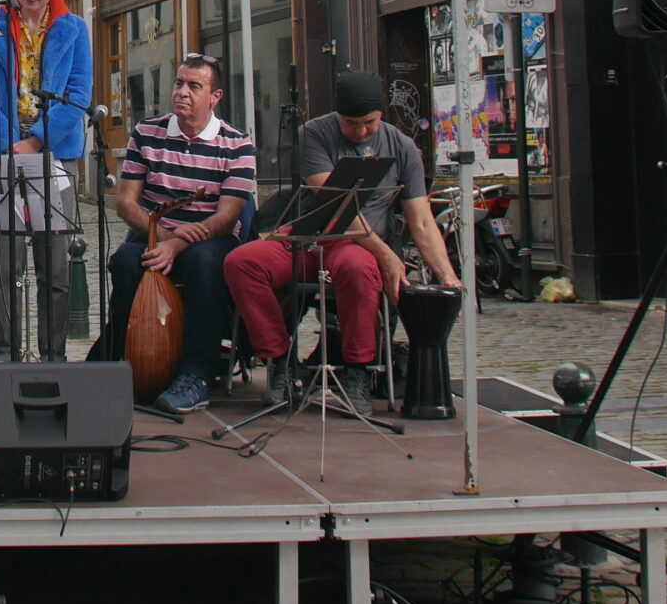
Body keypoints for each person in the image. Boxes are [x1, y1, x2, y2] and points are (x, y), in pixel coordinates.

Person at [226, 69, 461, 410]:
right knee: (241, 263)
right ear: (337, 115)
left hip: (357, 247)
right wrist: (387, 255)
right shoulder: (313, 134)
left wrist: (447, 276)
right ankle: (280, 360)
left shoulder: (402, 147)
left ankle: (357, 370)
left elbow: (422, 222)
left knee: (356, 268)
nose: (362, 131)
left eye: (370, 122)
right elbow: (339, 206)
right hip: (310, 238)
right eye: (352, 123)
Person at [103, 55, 255, 415]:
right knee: (125, 260)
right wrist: (164, 237)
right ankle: (124, 364)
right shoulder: (146, 133)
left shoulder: (237, 145)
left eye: (194, 86)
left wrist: (177, 244)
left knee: (205, 264)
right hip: (157, 230)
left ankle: (196, 374)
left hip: (209, 238)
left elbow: (229, 215)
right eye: (179, 83)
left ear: (215, 97)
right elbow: (126, 203)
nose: (182, 92)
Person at [0, 0, 90, 362]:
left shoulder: (74, 30)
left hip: (55, 156)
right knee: (5, 267)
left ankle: (53, 354)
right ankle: (6, 353)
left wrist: (37, 139)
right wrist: (8, 144)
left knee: (53, 266)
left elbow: (78, 94)